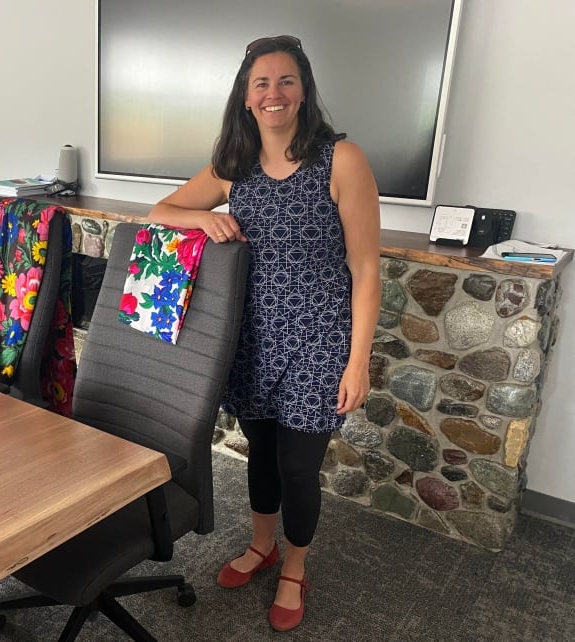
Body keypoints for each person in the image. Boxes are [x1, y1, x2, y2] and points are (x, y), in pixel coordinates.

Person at [148, 35, 381, 632]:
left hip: (319, 340)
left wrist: (358, 363)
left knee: (300, 467)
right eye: (261, 84)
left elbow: (366, 268)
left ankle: (294, 567)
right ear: (246, 98)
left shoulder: (341, 159)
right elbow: (159, 212)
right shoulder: (235, 164)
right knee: (262, 456)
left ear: (302, 91)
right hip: (250, 338)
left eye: (285, 81)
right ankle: (262, 545)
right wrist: (205, 214)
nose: (273, 94)